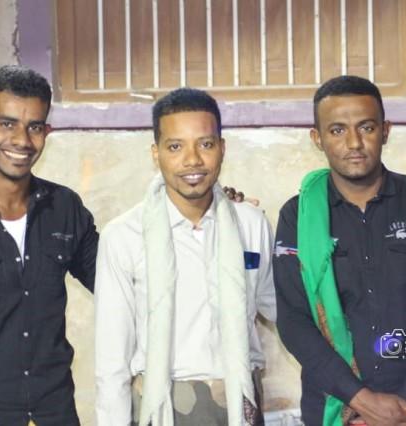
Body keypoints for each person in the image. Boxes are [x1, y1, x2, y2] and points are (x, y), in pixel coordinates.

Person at [273, 75, 406, 426]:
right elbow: (293, 320)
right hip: (337, 408)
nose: (354, 142)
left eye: (366, 127)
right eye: (337, 130)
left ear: (385, 131)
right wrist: (361, 400)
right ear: (317, 138)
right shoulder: (298, 217)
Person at [94, 87, 276, 426]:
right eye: (175, 147)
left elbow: (282, 309)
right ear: (156, 153)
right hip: (162, 406)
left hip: (240, 402)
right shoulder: (123, 236)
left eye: (205, 144)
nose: (192, 160)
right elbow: (111, 359)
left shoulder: (250, 225)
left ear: (222, 148)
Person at [0, 65, 98, 425]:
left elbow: (121, 282)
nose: (22, 140)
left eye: (35, 127)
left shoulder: (64, 208)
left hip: (54, 412)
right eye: (7, 124)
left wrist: (207, 212)